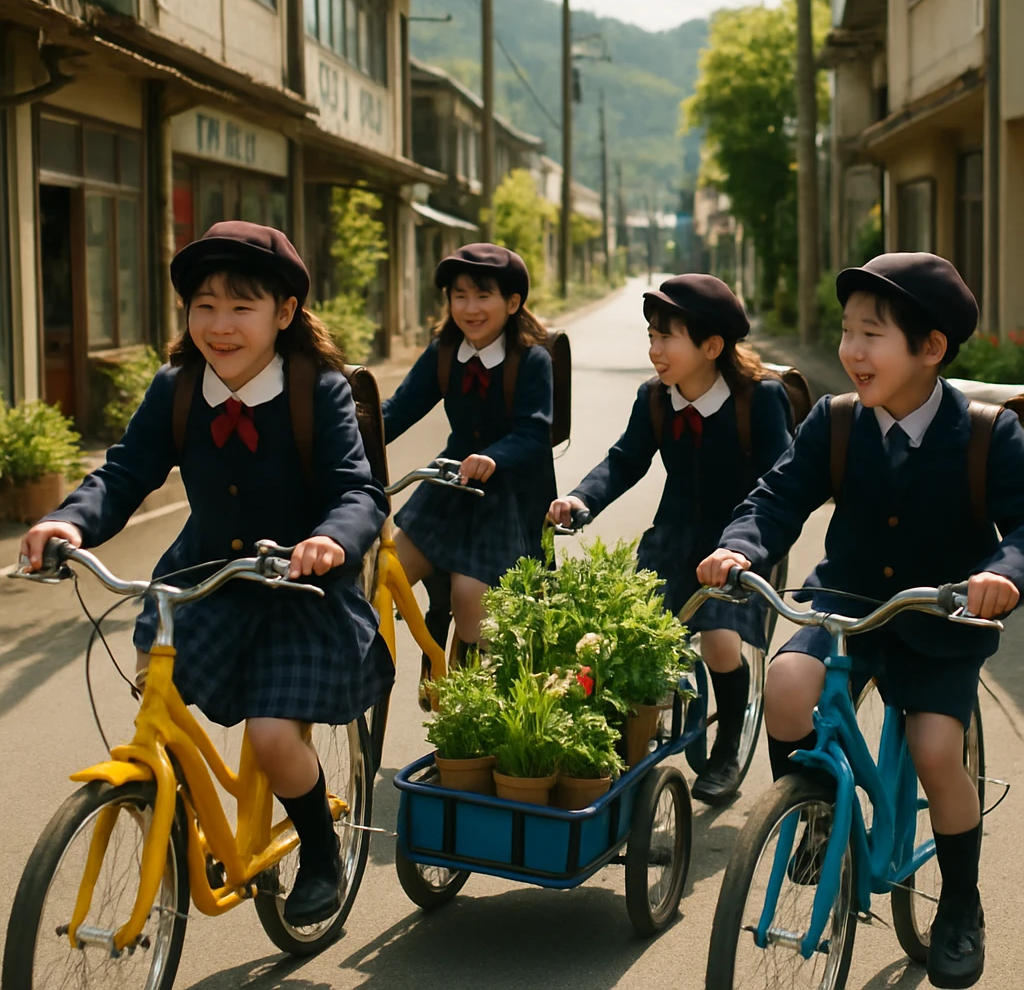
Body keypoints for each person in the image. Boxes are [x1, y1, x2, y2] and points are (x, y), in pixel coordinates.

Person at [20, 222, 394, 927]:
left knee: (275, 738)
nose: (219, 326)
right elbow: (126, 471)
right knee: (151, 682)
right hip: (206, 576)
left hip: (303, 587)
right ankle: (183, 809)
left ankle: (320, 852)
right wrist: (70, 522)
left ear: (284, 314)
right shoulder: (178, 387)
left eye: (241, 307)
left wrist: (327, 540)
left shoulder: (320, 389)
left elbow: (359, 492)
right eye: (203, 306)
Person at [698, 253, 1024, 989]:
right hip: (847, 598)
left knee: (938, 749)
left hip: (943, 611)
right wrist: (736, 547)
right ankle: (813, 818)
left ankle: (962, 906)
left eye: (871, 334)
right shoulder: (836, 421)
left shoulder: (986, 435)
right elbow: (776, 498)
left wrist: (1001, 576)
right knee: (784, 686)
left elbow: (1023, 528)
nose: (851, 350)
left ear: (930, 348)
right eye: (847, 332)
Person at [548, 274, 793, 803]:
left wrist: (749, 548)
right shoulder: (656, 398)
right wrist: (580, 499)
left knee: (721, 640)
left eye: (668, 337)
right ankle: (624, 750)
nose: (655, 350)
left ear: (711, 346)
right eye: (652, 336)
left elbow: (784, 481)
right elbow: (625, 460)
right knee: (630, 643)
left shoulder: (760, 399)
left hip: (743, 547)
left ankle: (729, 740)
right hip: (673, 541)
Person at [382, 244, 555, 657]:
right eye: (459, 296)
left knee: (470, 599)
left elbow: (534, 431)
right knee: (383, 579)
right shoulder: (444, 352)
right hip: (449, 488)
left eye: (483, 296)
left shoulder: (531, 360)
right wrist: (343, 438)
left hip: (506, 499)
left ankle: (472, 691)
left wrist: (494, 456)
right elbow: (397, 410)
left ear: (512, 303)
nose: (470, 308)